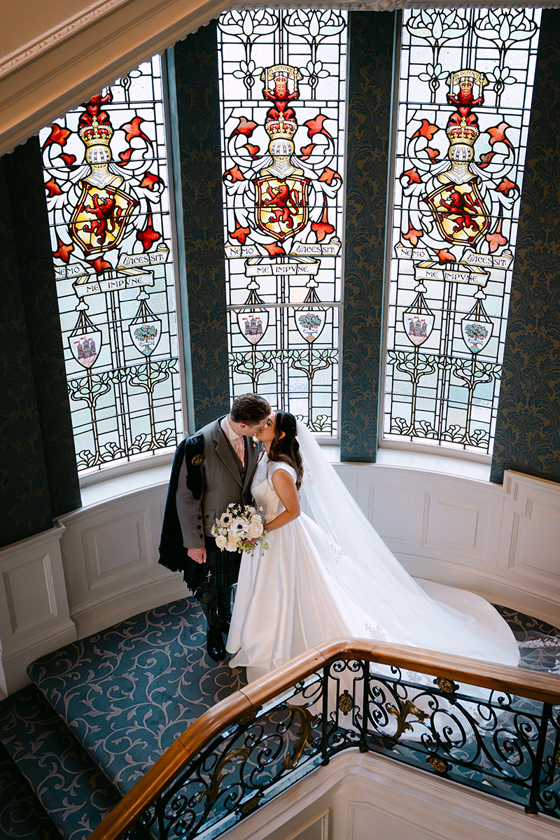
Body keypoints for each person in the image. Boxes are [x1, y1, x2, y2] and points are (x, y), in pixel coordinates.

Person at [227, 411, 521, 683]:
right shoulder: (264, 455)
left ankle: (276, 645)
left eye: (268, 423)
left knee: (287, 591)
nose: (261, 425)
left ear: (279, 436)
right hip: (269, 538)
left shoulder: (279, 469)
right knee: (272, 590)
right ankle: (260, 638)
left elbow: (293, 512)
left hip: (281, 538)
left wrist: (259, 529)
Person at [159, 393, 271, 662]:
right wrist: (194, 543)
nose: (263, 429)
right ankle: (212, 630)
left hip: (242, 532)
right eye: (260, 426)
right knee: (209, 588)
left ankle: (227, 619)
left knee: (230, 583)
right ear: (243, 425)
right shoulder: (198, 445)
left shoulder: (253, 439)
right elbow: (185, 498)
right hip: (209, 535)